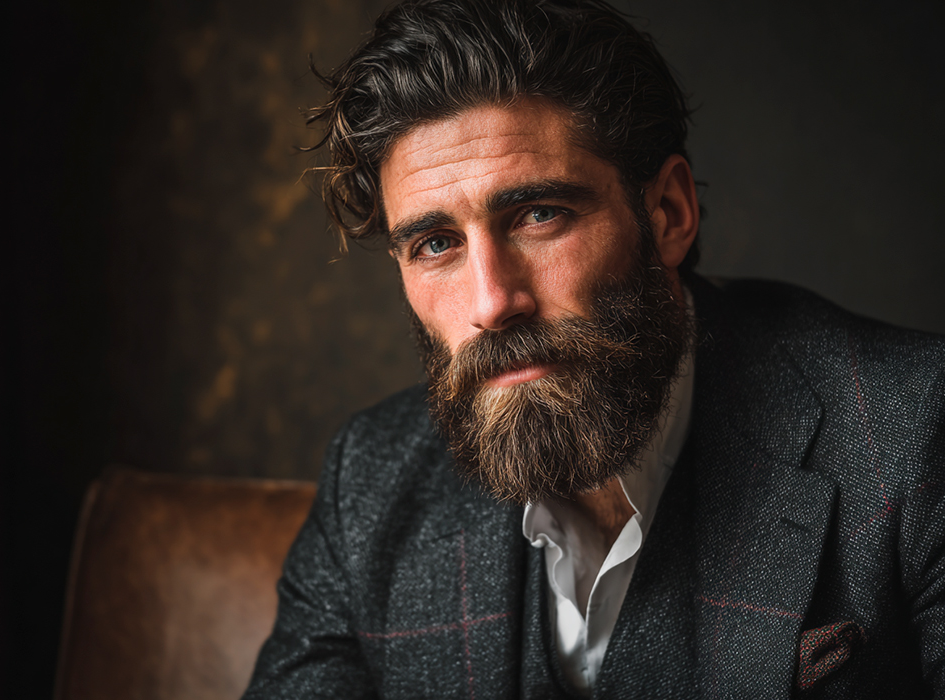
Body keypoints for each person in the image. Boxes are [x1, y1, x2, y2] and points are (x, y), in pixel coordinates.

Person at [242, 0, 945, 697]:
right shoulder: (366, 483)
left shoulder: (915, 435)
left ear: (667, 213)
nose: (491, 303)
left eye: (539, 215)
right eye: (435, 244)